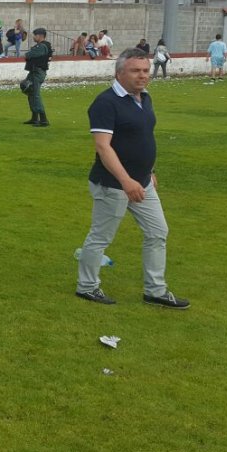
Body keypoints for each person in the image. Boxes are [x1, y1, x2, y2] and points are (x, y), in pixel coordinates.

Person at [76, 49, 188, 310]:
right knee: (101, 237)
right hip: (113, 184)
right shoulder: (105, 103)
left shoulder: (144, 98)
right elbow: (104, 147)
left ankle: (155, 291)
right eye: (136, 71)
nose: (143, 76)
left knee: (158, 232)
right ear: (119, 73)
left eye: (146, 71)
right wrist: (126, 180)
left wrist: (148, 171)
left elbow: (141, 138)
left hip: (142, 182)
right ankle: (87, 287)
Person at [23, 28, 53, 127]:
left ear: (40, 36)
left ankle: (44, 120)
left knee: (35, 95)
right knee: (30, 92)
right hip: (34, 71)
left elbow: (29, 55)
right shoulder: (43, 46)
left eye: (35, 35)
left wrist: (28, 54)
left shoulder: (42, 46)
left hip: (37, 72)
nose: (33, 37)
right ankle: (35, 118)